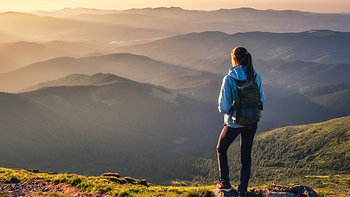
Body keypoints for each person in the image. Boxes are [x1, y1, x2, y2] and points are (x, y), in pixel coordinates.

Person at [216, 46, 265, 197]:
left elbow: (223, 107)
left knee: (221, 148)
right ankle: (242, 189)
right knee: (246, 155)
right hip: (252, 122)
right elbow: (261, 100)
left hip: (235, 122)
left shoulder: (229, 78)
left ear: (234, 59)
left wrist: (232, 110)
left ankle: (224, 183)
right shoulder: (256, 76)